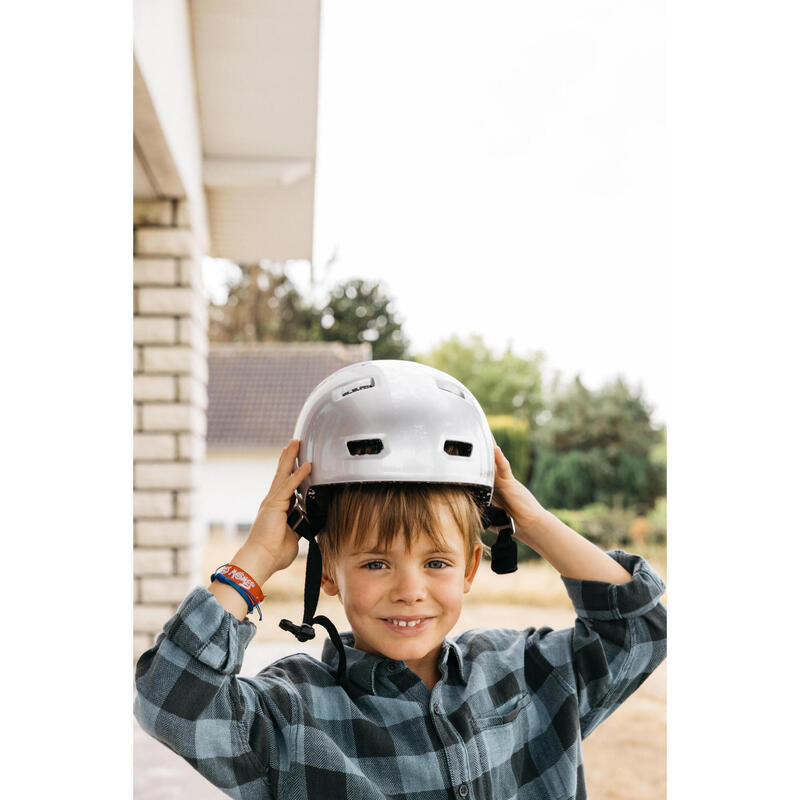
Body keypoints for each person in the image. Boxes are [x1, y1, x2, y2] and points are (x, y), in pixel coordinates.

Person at [134, 360, 666, 800]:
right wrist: (255, 559)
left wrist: (532, 520)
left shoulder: (526, 674)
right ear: (331, 575)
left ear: (471, 570)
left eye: (436, 563)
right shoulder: (292, 714)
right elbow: (170, 698)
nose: (409, 589)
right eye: (375, 563)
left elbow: (642, 626)